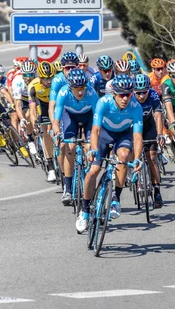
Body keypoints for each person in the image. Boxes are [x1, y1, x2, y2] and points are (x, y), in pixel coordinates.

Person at [78, 75, 144, 231]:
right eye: (121, 95)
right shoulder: (103, 103)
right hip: (104, 135)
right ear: (114, 93)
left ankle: (116, 198)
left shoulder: (136, 107)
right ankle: (85, 211)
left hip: (122, 135)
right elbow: (95, 130)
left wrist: (138, 158)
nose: (125, 98)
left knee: (124, 156)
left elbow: (137, 136)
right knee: (93, 171)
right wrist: (93, 149)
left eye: (128, 94)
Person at [52, 69, 99, 208]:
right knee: (70, 148)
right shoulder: (63, 92)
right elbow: (56, 120)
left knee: (90, 147)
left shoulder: (91, 93)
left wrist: (96, 138)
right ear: (70, 87)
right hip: (70, 117)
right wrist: (56, 134)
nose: (80, 92)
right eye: (77, 89)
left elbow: (97, 119)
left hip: (88, 117)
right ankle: (67, 188)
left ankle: (90, 182)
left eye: (82, 88)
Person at [133, 74, 165, 208]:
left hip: (149, 126)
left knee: (151, 158)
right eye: (138, 93)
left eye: (144, 92)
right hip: (133, 126)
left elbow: (158, 115)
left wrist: (159, 134)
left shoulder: (153, 95)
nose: (141, 96)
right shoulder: (129, 97)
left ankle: (157, 191)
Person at [28, 61, 58, 182]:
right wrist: (35, 122)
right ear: (40, 78)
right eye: (46, 79)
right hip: (43, 106)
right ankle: (50, 166)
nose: (49, 81)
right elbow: (32, 109)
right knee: (45, 131)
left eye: (51, 77)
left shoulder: (57, 83)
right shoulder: (33, 86)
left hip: (55, 104)